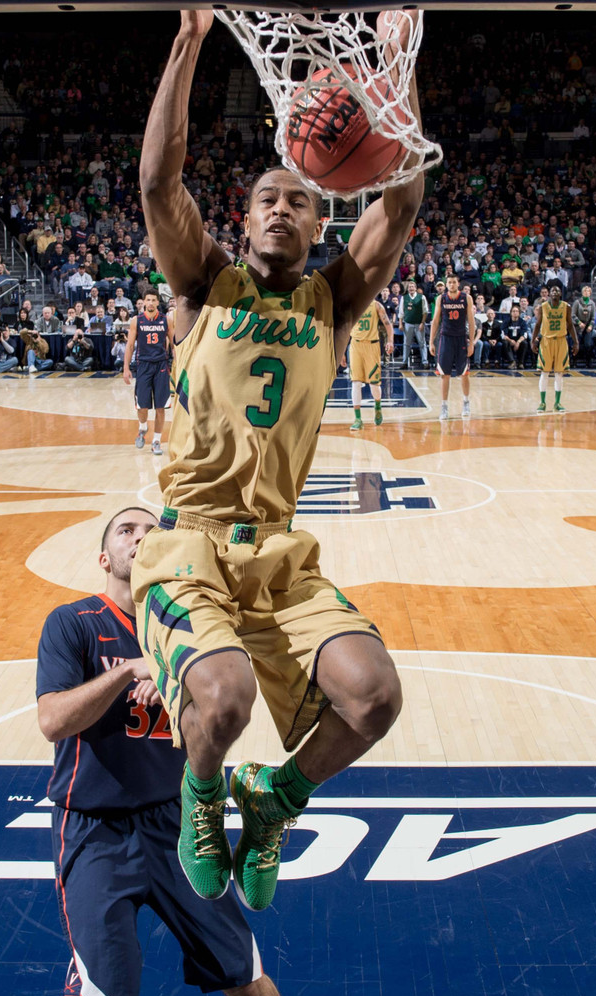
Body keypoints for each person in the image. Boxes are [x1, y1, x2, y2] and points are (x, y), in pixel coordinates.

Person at [131, 9, 414, 913]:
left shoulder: (333, 302)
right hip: (189, 545)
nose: (283, 208)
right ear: (245, 217)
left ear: (320, 216)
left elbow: (402, 199)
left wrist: (398, 64)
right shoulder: (200, 283)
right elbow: (155, 179)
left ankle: (275, 796)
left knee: (373, 698)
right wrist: (187, 41)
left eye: (300, 199)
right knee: (223, 701)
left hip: (279, 554)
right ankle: (203, 795)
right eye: (268, 198)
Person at [36, 508, 287, 996]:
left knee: (246, 978)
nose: (141, 537)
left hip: (178, 823)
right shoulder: (73, 623)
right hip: (95, 830)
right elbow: (52, 720)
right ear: (106, 557)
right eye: (126, 531)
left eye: (152, 532)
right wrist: (128, 670)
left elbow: (228, 711)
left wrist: (175, 676)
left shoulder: (191, 633)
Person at [123, 287, 171, 454]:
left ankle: (156, 441)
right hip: (143, 365)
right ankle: (143, 427)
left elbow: (174, 344)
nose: (150, 303)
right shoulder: (137, 320)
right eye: (147, 300)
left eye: (153, 300)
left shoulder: (166, 320)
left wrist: (179, 365)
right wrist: (126, 368)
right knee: (142, 406)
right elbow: (130, 345)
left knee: (160, 407)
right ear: (143, 302)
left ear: (158, 302)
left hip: (161, 366)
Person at [429, 271, 475, 420]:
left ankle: (466, 402)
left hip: (461, 338)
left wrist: (472, 342)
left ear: (458, 283)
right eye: (449, 282)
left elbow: (471, 321)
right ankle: (444, 406)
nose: (452, 284)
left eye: (454, 282)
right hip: (445, 338)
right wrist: (431, 341)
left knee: (464, 373)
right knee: (445, 374)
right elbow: (435, 321)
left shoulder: (466, 298)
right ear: (446, 284)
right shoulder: (441, 299)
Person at [348, 298, 394, 430]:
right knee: (355, 382)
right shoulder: (352, 305)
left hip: (372, 346)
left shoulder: (376, 306)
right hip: (355, 345)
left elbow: (388, 324)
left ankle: (378, 406)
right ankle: (357, 419)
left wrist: (390, 341)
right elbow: (346, 328)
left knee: (374, 384)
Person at [531, 284, 577, 413]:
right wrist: (533, 341)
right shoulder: (543, 307)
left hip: (561, 340)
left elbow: (570, 325)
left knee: (559, 373)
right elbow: (538, 324)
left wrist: (576, 342)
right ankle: (542, 402)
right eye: (553, 290)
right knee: (544, 372)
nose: (555, 292)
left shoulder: (566, 307)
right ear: (549, 294)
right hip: (546, 341)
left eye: (557, 290)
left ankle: (557, 402)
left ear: (561, 294)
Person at [398, 279, 427, 367]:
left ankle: (425, 362)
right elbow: (401, 312)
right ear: (408, 288)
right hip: (408, 323)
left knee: (422, 343)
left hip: (419, 323)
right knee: (406, 344)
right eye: (410, 287)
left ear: (416, 288)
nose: (411, 288)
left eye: (413, 286)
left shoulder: (421, 297)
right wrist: (400, 323)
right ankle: (404, 362)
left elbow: (425, 312)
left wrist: (422, 323)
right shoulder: (404, 297)